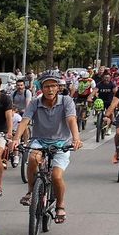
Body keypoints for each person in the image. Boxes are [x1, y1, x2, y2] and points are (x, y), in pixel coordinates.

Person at [14, 71, 84, 222]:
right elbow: (25, 120)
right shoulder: (34, 103)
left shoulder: (66, 101)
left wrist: (76, 139)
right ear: (41, 88)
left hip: (62, 143)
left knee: (56, 176)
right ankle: (31, 192)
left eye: (53, 86)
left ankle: (60, 205)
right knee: (32, 158)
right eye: (46, 86)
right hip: (40, 140)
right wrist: (15, 139)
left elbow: (71, 120)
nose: (50, 89)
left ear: (58, 87)